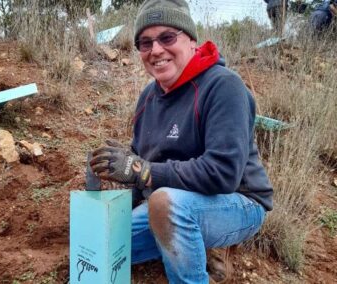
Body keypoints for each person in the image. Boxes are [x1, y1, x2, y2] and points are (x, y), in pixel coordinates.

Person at [90, 0, 273, 283]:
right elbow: (142, 166)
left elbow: (223, 174)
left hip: (239, 202)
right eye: (145, 43)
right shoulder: (148, 98)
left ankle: (201, 260)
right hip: (172, 205)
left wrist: (144, 170)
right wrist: (113, 197)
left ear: (190, 40)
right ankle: (192, 241)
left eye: (167, 37)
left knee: (166, 203)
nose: (156, 50)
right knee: (98, 244)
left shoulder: (224, 86)